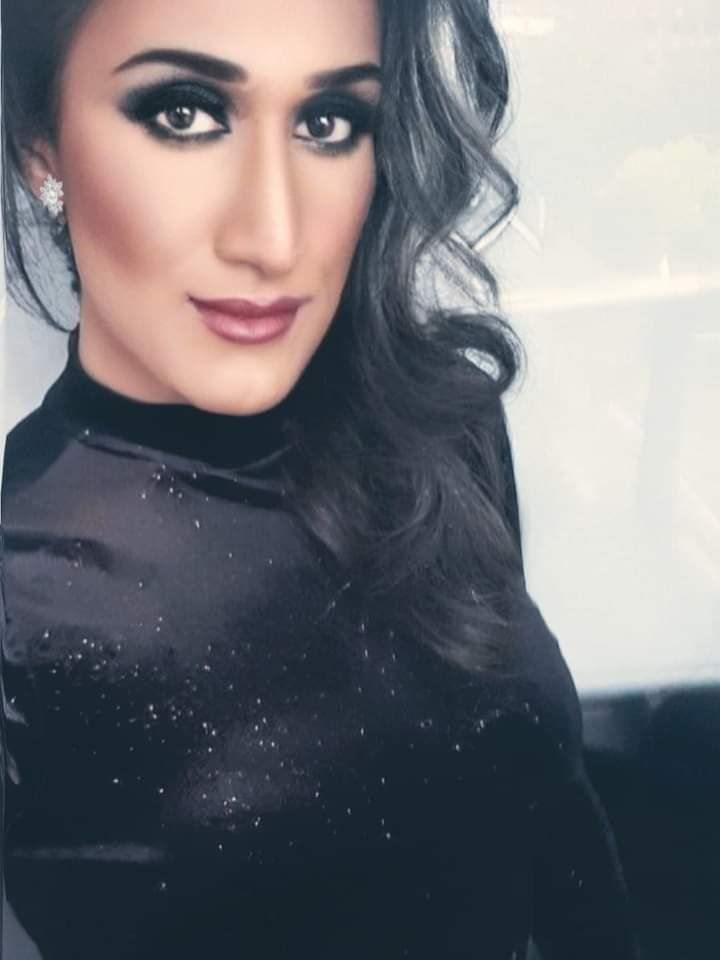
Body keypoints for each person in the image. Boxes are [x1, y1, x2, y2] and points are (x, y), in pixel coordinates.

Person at [0, 0, 640, 957]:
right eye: (184, 113)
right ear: (40, 148)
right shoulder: (21, 585)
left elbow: (560, 840)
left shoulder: (437, 424)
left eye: (328, 122)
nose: (274, 235)